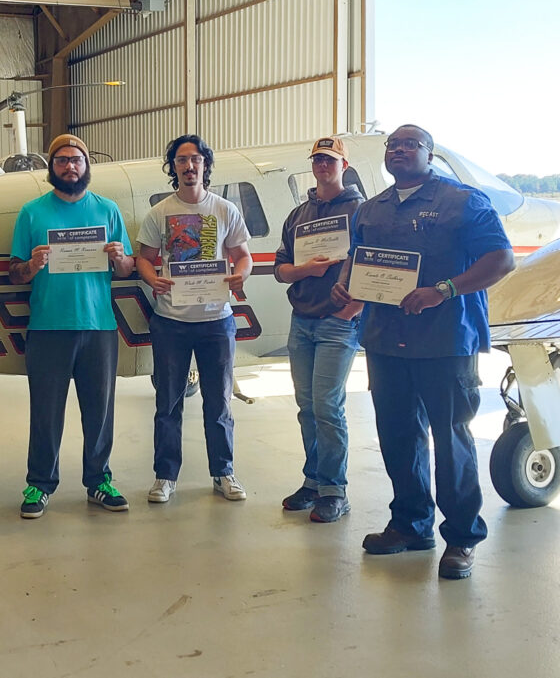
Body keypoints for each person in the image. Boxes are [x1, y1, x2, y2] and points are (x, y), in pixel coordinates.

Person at [331, 124, 515, 579]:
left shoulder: (463, 202)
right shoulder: (371, 209)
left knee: (451, 440)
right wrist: (347, 286)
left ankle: (461, 539)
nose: (399, 150)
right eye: (393, 144)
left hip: (445, 341)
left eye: (410, 144)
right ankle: (411, 525)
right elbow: (360, 258)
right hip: (385, 340)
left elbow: (501, 259)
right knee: (398, 435)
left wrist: (444, 290)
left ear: (429, 154)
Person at [9, 133, 135, 518]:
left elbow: (128, 267)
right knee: (46, 412)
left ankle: (99, 481)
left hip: (98, 326)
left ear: (86, 166)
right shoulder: (32, 213)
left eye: (76, 160)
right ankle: (39, 484)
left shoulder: (107, 210)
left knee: (100, 410)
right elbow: (15, 274)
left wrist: (119, 257)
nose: (69, 166)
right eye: (62, 160)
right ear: (52, 167)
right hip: (48, 327)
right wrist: (31, 265)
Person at [135, 134, 253, 504]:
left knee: (218, 402)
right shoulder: (159, 213)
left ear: (205, 165)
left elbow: (243, 254)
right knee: (168, 403)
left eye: (196, 159)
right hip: (171, 320)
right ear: (174, 168)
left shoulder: (224, 210)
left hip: (217, 320)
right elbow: (144, 257)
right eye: (182, 160)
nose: (189, 166)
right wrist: (152, 278)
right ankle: (165, 476)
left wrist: (241, 274)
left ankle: (224, 472)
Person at [273, 137, 364, 522]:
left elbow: (372, 264)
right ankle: (313, 482)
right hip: (303, 321)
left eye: (330, 160)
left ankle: (334, 489)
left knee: (327, 406)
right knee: (307, 406)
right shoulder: (298, 215)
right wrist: (305, 270)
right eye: (318, 160)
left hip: (336, 322)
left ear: (344, 164)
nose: (323, 165)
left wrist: (354, 308)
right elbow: (280, 269)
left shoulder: (361, 210)